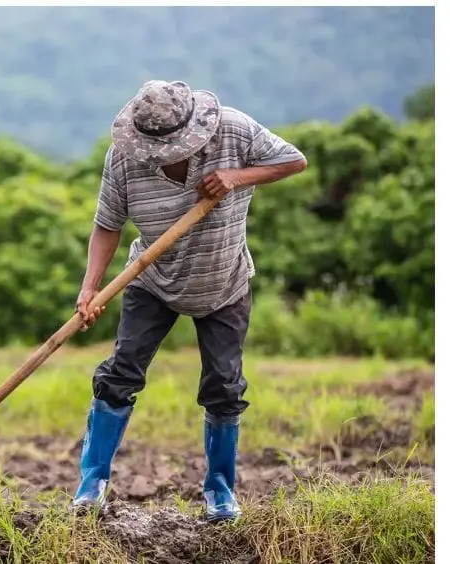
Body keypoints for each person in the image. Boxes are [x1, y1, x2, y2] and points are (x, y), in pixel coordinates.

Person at [71, 80, 307, 521]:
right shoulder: (124, 157)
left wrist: (236, 177)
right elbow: (108, 224)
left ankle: (220, 492)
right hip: (152, 279)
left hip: (224, 282)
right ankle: (91, 485)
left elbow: (293, 160)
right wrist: (91, 287)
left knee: (223, 386)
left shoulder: (234, 131)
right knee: (120, 373)